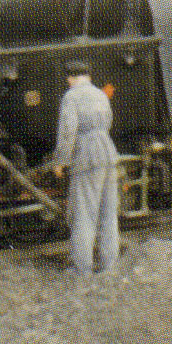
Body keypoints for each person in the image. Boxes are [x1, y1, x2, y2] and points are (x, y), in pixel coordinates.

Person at [44, 61, 119, 276]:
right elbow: (109, 122)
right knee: (108, 212)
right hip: (108, 151)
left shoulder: (71, 97)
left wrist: (60, 161)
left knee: (84, 213)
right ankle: (108, 266)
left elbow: (68, 131)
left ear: (70, 78)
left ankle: (81, 268)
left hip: (87, 154)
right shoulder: (100, 94)